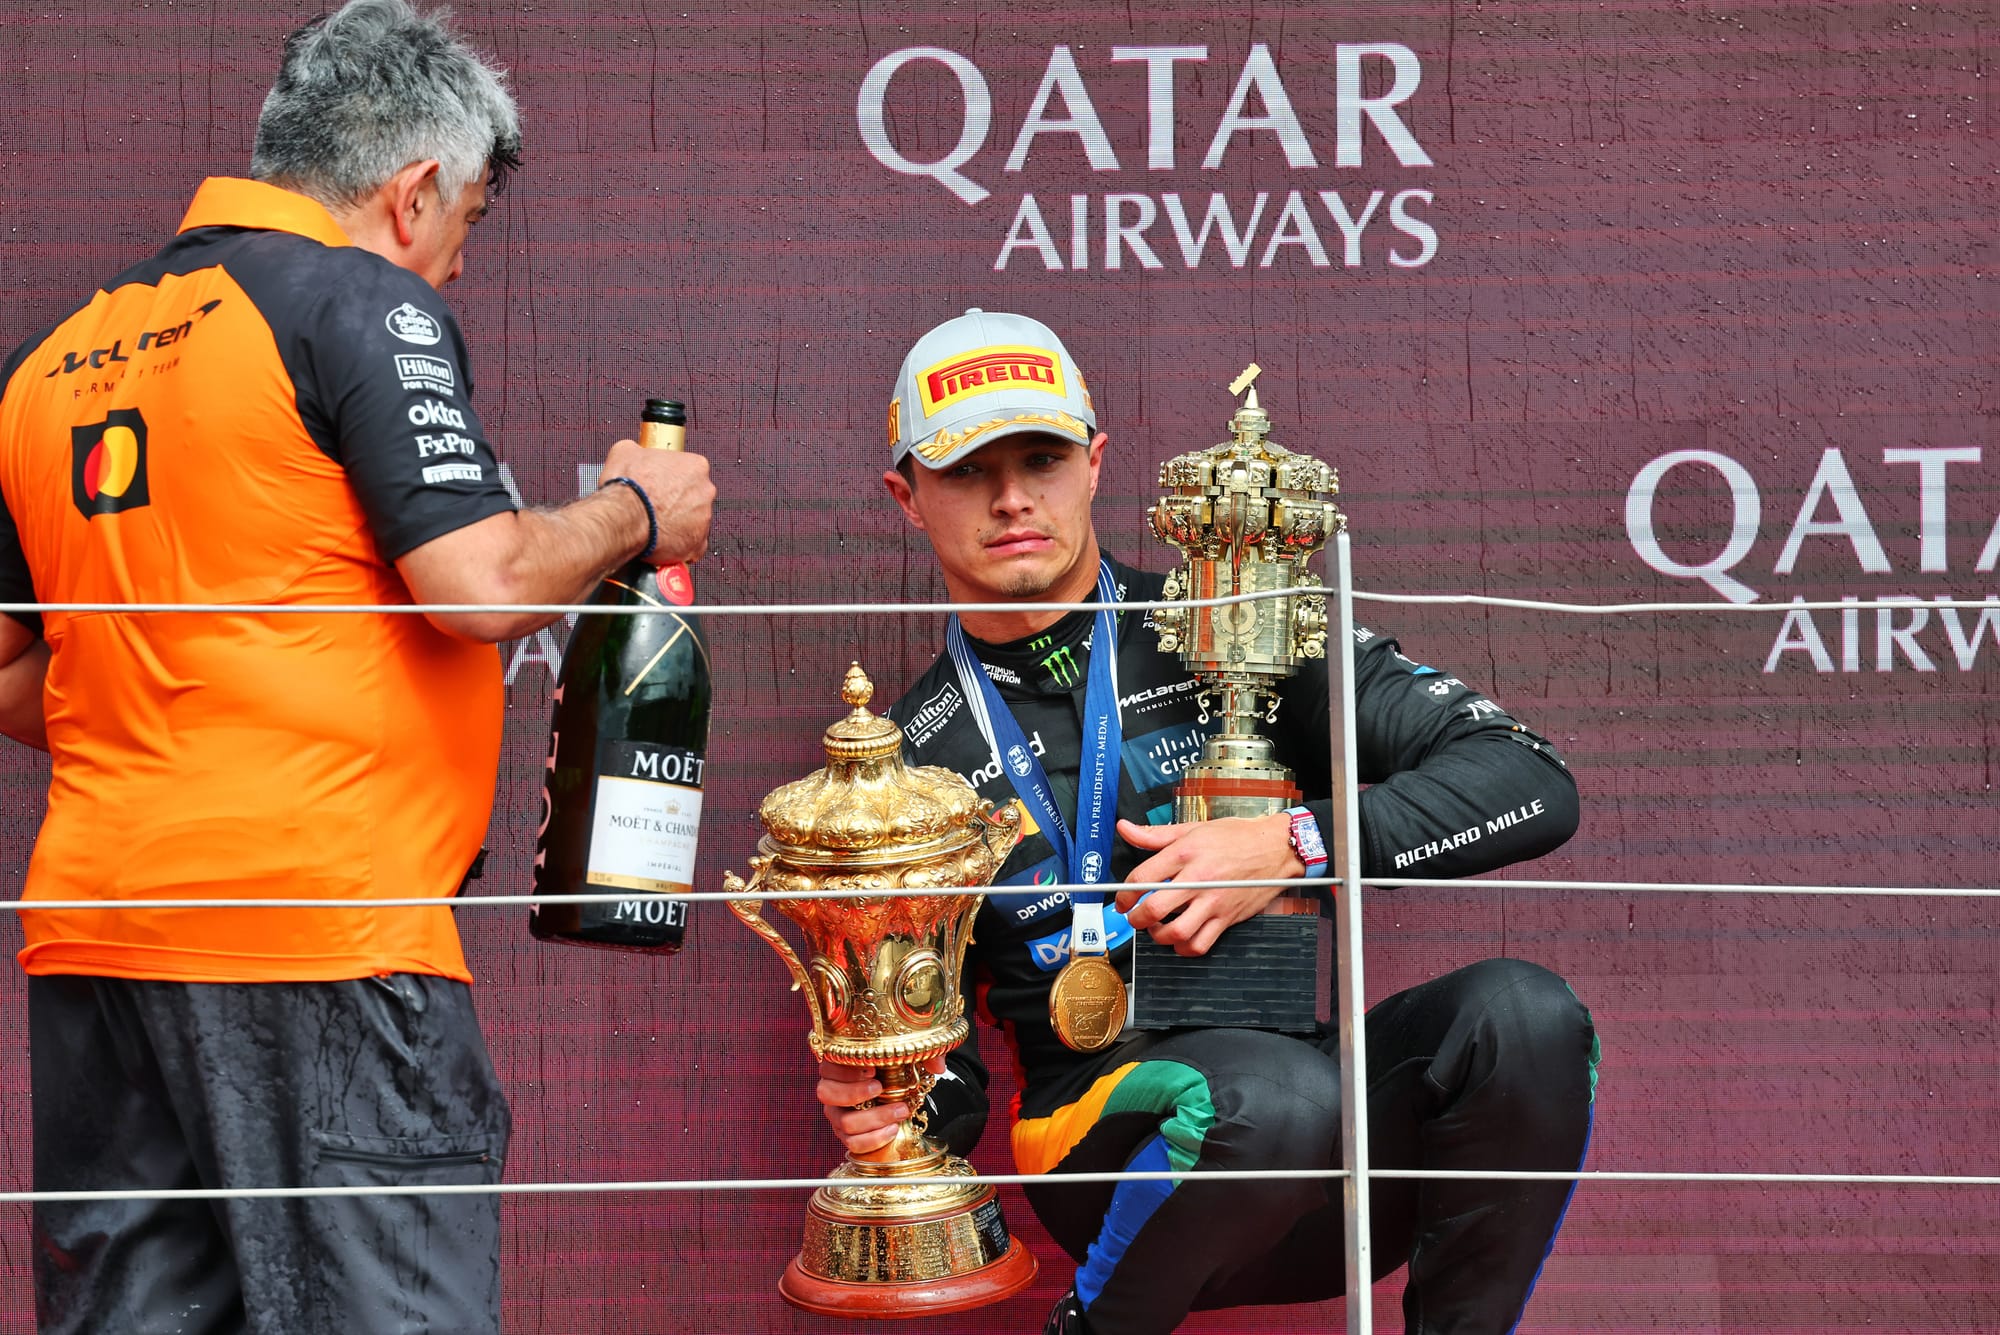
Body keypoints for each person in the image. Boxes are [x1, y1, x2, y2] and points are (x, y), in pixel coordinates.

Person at [0, 2, 714, 1330]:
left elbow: (7, 674)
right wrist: (636, 511)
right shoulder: (354, 298)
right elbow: (482, 586)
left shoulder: (50, 361)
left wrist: (188, 676)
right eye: (466, 225)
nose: (457, 265)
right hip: (322, 931)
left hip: (98, 943)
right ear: (415, 190)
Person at [816, 309, 1599, 1335]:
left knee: (1523, 1017)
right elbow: (946, 1077)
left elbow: (1530, 782)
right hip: (1100, 1149)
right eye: (967, 470)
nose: (1011, 498)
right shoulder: (901, 764)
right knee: (1270, 1096)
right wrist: (888, 1101)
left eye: (1041, 459)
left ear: (1094, 464)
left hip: (1325, 1150)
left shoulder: (1244, 622)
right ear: (906, 497)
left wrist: (1295, 844)